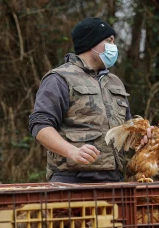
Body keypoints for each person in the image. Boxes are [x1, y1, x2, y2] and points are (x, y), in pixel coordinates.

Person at [29, 17, 136, 183]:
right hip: (71, 180)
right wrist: (72, 151)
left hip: (114, 180)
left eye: (114, 42)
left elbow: (126, 132)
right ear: (90, 43)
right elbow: (40, 126)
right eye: (108, 41)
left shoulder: (115, 82)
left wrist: (142, 136)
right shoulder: (59, 79)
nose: (113, 47)